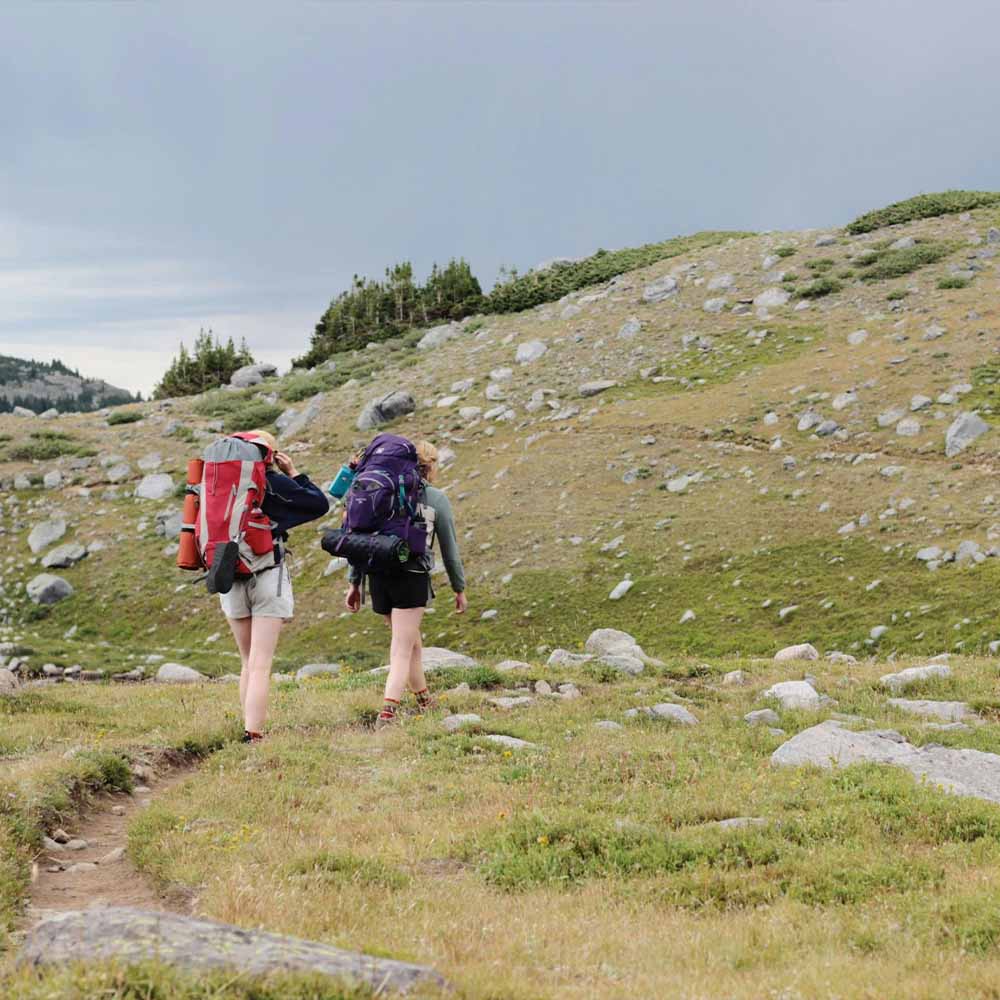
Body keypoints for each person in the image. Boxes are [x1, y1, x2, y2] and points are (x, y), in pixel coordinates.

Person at [345, 440, 467, 729]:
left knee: (411, 642)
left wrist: (354, 582)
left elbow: (360, 536)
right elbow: (449, 550)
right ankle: (387, 712)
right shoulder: (435, 498)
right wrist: (459, 588)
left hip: (378, 576)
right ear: (430, 466)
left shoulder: (381, 493)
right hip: (411, 577)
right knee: (402, 646)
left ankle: (424, 699)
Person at [218, 429, 329, 742]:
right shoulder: (272, 482)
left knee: (247, 661)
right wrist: (292, 472)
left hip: (229, 575)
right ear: (269, 455)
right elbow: (319, 504)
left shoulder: (219, 486)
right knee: (260, 664)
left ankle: (247, 726)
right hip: (267, 574)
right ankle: (253, 734)